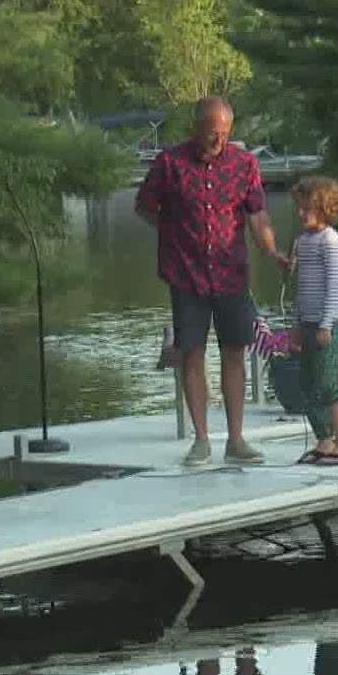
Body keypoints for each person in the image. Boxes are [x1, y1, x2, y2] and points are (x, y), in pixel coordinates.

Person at [136, 97, 287, 466]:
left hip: (230, 272)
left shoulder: (243, 164)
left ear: (230, 130)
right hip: (185, 272)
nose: (217, 140)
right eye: (211, 132)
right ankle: (201, 439)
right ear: (196, 127)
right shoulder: (170, 163)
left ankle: (236, 440)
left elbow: (257, 215)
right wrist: (169, 231)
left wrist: (271, 251)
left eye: (223, 133)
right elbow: (144, 205)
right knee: (192, 353)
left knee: (235, 352)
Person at [288, 177, 338, 466]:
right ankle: (323, 440)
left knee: (330, 384)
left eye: (307, 209)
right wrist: (296, 323)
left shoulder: (331, 241)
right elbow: (300, 287)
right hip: (308, 322)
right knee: (308, 383)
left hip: (330, 323)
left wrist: (326, 324)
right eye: (299, 208)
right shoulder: (302, 242)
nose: (301, 214)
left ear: (325, 209)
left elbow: (333, 285)